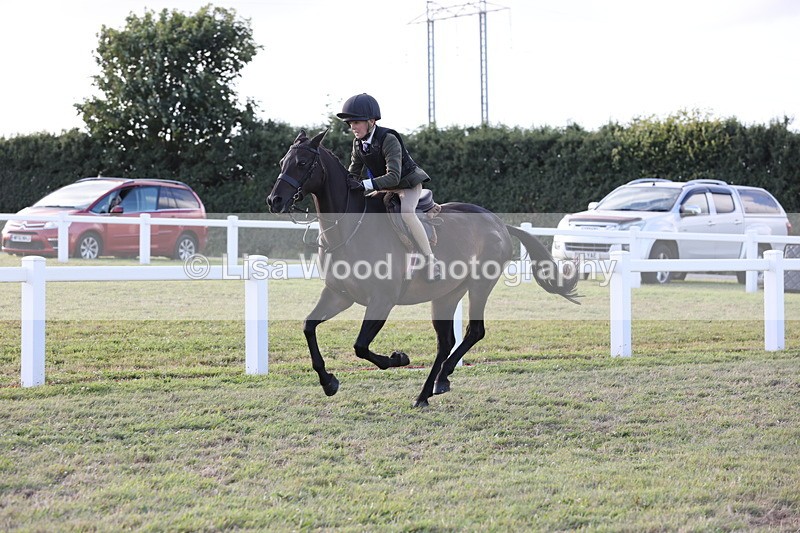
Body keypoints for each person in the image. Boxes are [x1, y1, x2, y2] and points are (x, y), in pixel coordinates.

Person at [337, 93, 443, 281]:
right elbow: (353, 171)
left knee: (407, 213)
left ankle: (431, 261)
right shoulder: (358, 143)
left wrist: (364, 185)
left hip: (408, 183)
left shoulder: (388, 138)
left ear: (371, 121)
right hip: (387, 187)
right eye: (350, 123)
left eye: (357, 122)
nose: (352, 127)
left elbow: (394, 176)